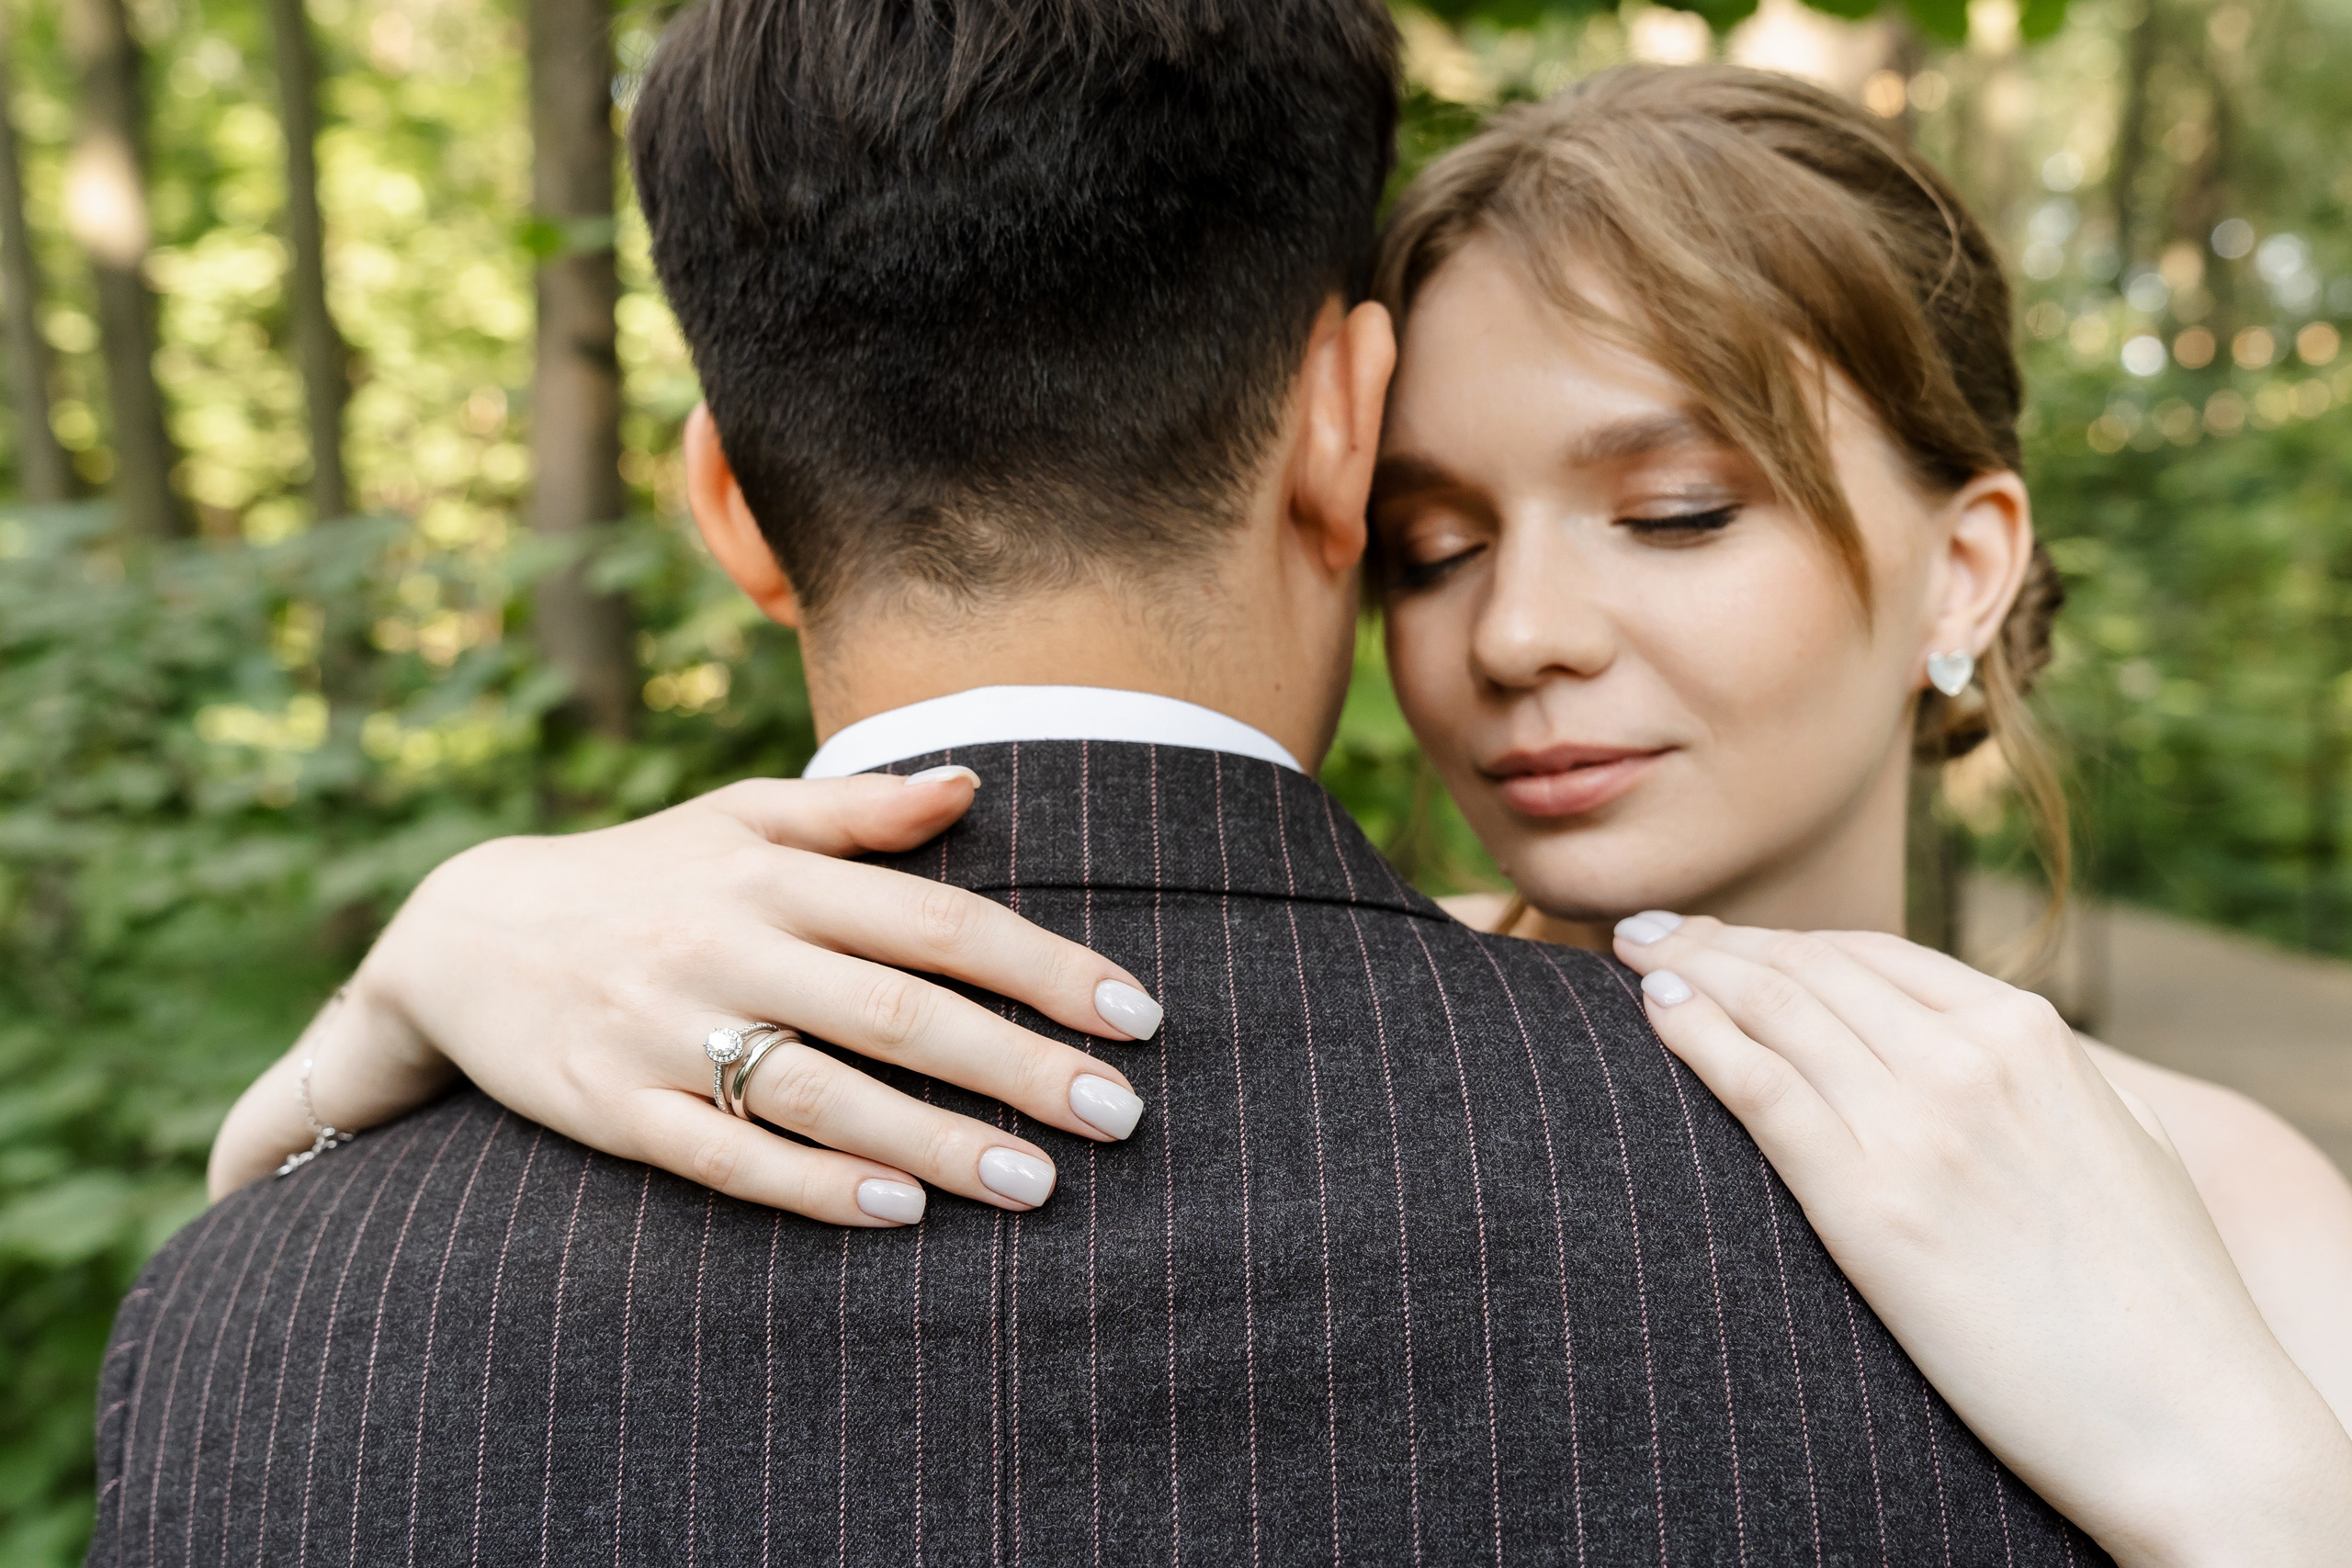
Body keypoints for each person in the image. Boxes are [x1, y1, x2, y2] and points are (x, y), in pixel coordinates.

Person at [147, 23, 2349, 1567]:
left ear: (1966, 561)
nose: (1518, 635)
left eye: (1673, 511)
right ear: (1330, 470)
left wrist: (2260, 1505)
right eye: (1429, 537)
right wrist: (453, 928)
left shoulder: (2236, 1209)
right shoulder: (1188, 1023)